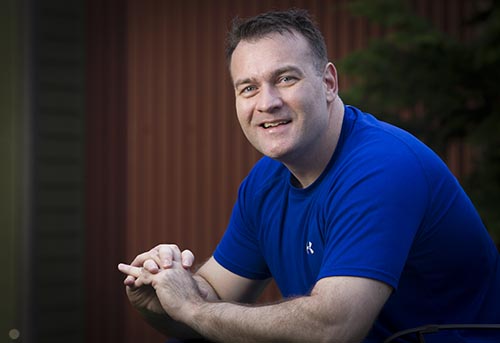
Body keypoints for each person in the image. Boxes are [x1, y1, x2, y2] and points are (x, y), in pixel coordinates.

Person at [118, 9, 500, 343]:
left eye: (285, 78)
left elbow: (333, 328)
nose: (266, 102)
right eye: (248, 88)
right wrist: (161, 298)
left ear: (329, 83)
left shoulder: (382, 167)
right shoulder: (265, 182)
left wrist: (193, 310)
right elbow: (212, 294)